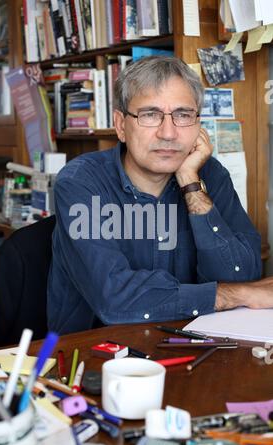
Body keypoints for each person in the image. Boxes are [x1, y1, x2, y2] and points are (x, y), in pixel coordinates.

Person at [47, 56, 273, 335]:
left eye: (183, 115)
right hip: (95, 355)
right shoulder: (81, 182)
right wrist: (233, 295)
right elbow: (114, 299)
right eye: (150, 114)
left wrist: (190, 183)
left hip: (194, 344)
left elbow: (240, 274)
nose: (168, 133)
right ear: (121, 125)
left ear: (198, 123)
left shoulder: (209, 175)